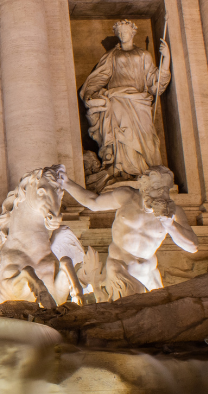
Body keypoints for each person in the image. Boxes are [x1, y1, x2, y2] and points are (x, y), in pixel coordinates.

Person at [62, 165, 198, 299]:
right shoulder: (126, 196)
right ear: (145, 186)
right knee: (136, 303)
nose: (163, 193)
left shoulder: (173, 212)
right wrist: (66, 183)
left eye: (166, 189)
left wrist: (170, 224)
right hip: (120, 267)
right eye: (157, 187)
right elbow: (93, 202)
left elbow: (192, 247)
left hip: (148, 273)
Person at [79, 19, 170, 182]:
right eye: (119, 33)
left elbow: (154, 82)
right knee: (121, 135)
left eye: (125, 32)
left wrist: (167, 59)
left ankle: (145, 169)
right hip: (117, 99)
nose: (122, 35)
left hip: (139, 101)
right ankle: (122, 170)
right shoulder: (112, 55)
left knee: (146, 136)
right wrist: (90, 92)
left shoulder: (144, 55)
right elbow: (101, 76)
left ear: (133, 33)